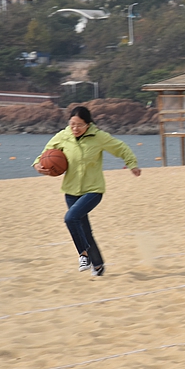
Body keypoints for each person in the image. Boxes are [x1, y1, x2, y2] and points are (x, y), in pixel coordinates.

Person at [33, 106, 141, 277]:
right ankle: (98, 266)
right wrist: (38, 165)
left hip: (93, 190)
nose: (75, 128)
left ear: (88, 124)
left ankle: (83, 255)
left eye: (79, 125)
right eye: (72, 124)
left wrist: (132, 164)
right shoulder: (63, 136)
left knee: (70, 218)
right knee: (84, 230)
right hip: (71, 191)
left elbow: (121, 148)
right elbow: (45, 154)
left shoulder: (99, 137)